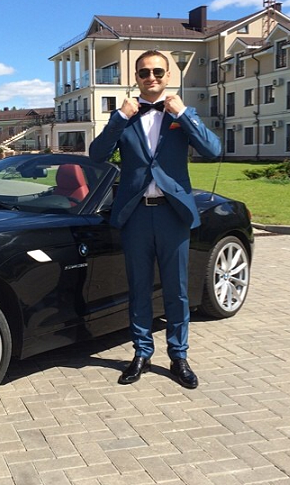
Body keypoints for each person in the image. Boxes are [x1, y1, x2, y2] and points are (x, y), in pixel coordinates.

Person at [89, 50, 221, 389]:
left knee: (176, 290)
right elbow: (97, 155)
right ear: (136, 76)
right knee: (139, 288)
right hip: (135, 214)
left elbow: (213, 150)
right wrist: (119, 117)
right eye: (145, 72)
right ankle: (142, 353)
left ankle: (179, 356)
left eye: (158, 72)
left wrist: (184, 115)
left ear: (168, 76)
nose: (151, 77)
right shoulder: (125, 117)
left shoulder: (182, 114)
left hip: (172, 214)